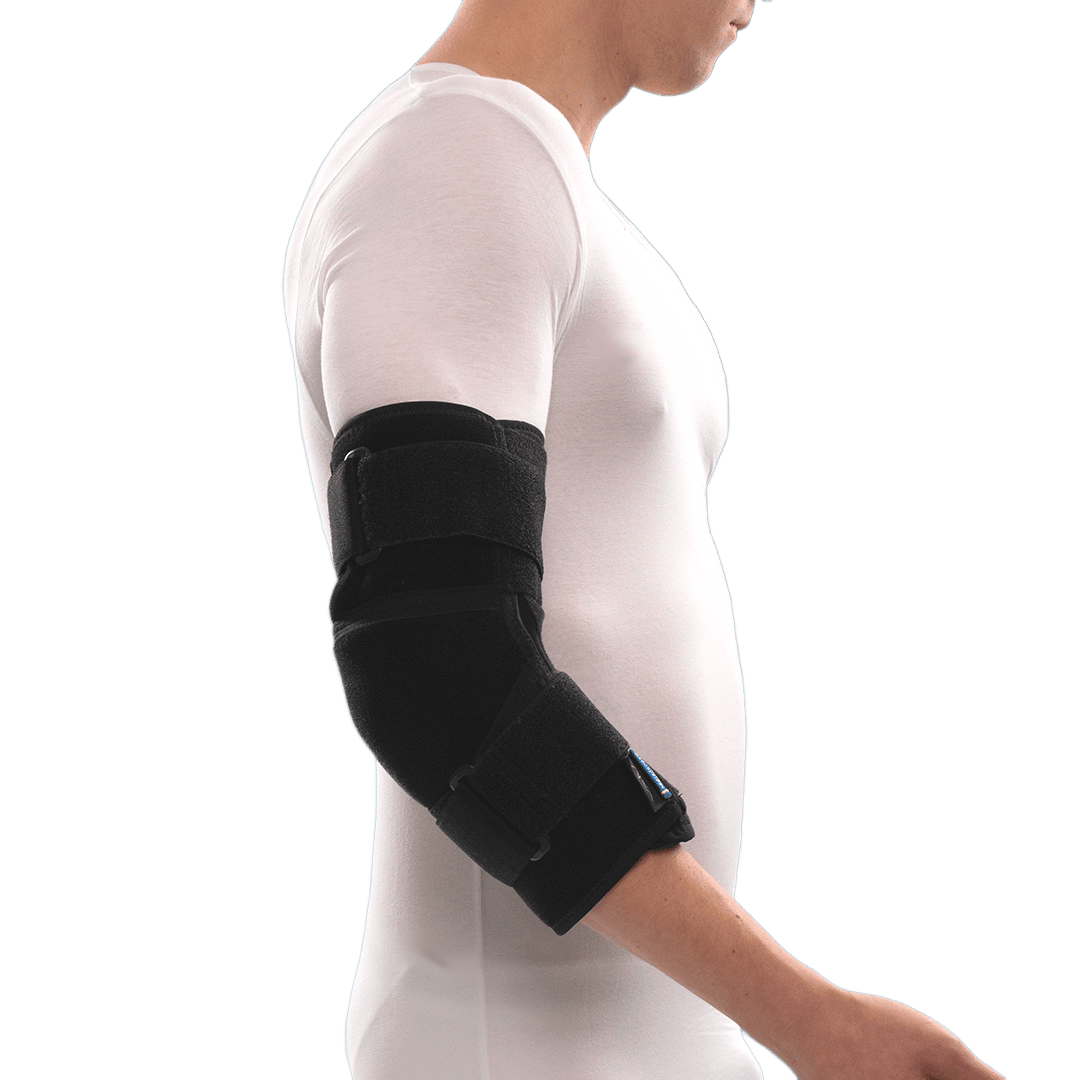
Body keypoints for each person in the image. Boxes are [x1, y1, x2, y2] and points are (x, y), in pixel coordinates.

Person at [281, 1, 1006, 1077]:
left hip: (642, 1031)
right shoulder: (449, 161)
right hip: (514, 1045)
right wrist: (808, 1017)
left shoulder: (542, 186)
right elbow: (437, 669)